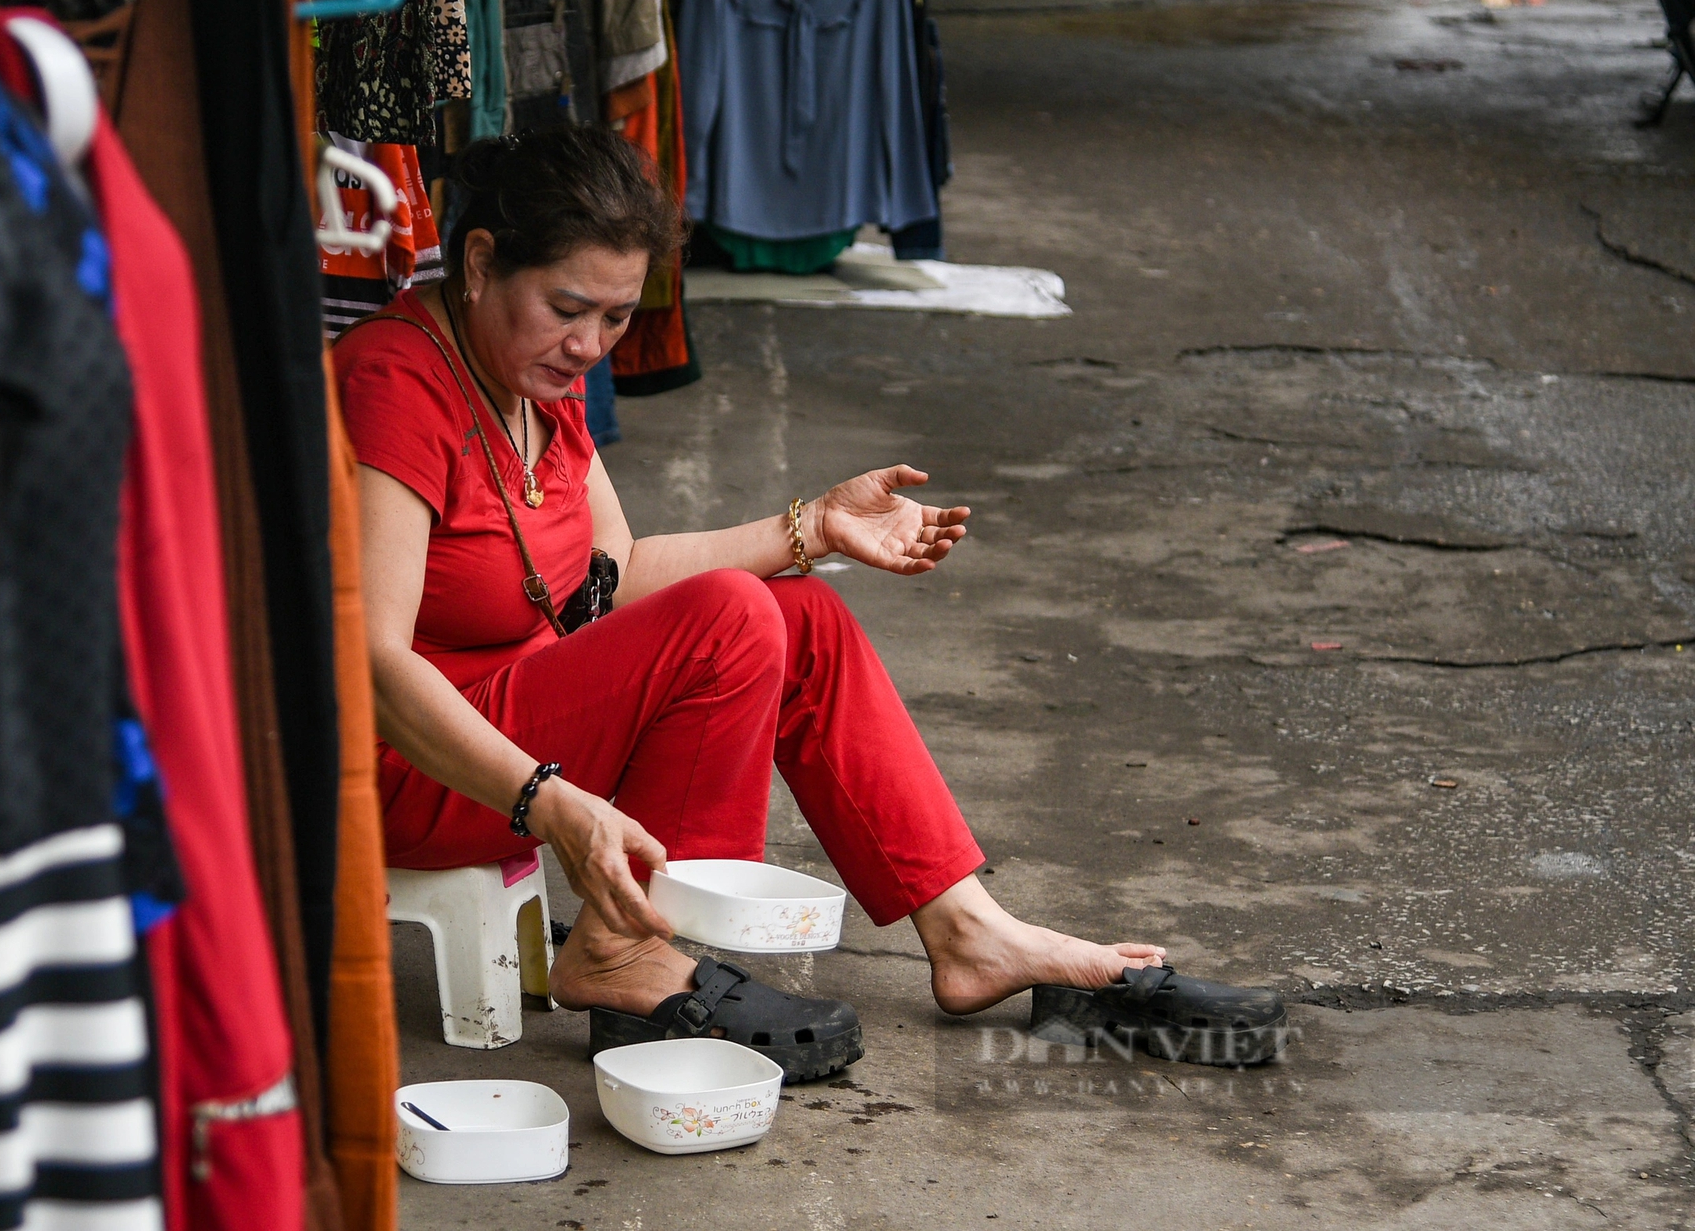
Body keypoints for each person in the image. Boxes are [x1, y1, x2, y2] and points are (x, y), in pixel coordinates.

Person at [332, 128, 1170, 1082]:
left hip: (517, 713)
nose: (591, 346)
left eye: (614, 317)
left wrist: (813, 526)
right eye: (570, 309)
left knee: (798, 617)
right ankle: (629, 950)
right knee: (729, 618)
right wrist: (552, 804)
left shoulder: (532, 374)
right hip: (402, 765)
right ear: (480, 262)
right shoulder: (392, 383)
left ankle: (971, 932)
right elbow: (371, 661)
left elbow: (611, 575)